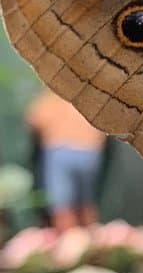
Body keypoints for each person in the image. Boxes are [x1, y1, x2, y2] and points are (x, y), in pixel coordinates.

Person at [26, 90, 105, 232]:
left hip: (60, 151)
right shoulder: (90, 96)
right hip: (90, 152)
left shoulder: (54, 95)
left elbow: (35, 120)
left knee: (62, 206)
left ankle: (69, 241)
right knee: (87, 204)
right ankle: (91, 240)